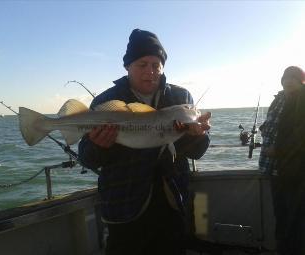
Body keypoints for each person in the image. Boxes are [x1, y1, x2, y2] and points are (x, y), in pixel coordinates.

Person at [78, 29, 211, 255]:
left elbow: (198, 151)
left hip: (172, 202)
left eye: (156, 65)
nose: (150, 72)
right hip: (123, 205)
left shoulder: (181, 100)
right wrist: (100, 146)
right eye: (142, 64)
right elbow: (86, 156)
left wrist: (194, 135)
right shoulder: (106, 101)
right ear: (128, 66)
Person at [272, 66, 305, 255]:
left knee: (295, 222)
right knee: (282, 218)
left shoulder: (302, 98)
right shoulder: (282, 100)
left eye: (293, 77)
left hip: (297, 171)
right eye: (285, 77)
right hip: (280, 170)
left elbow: (300, 135)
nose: (288, 81)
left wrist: (277, 150)